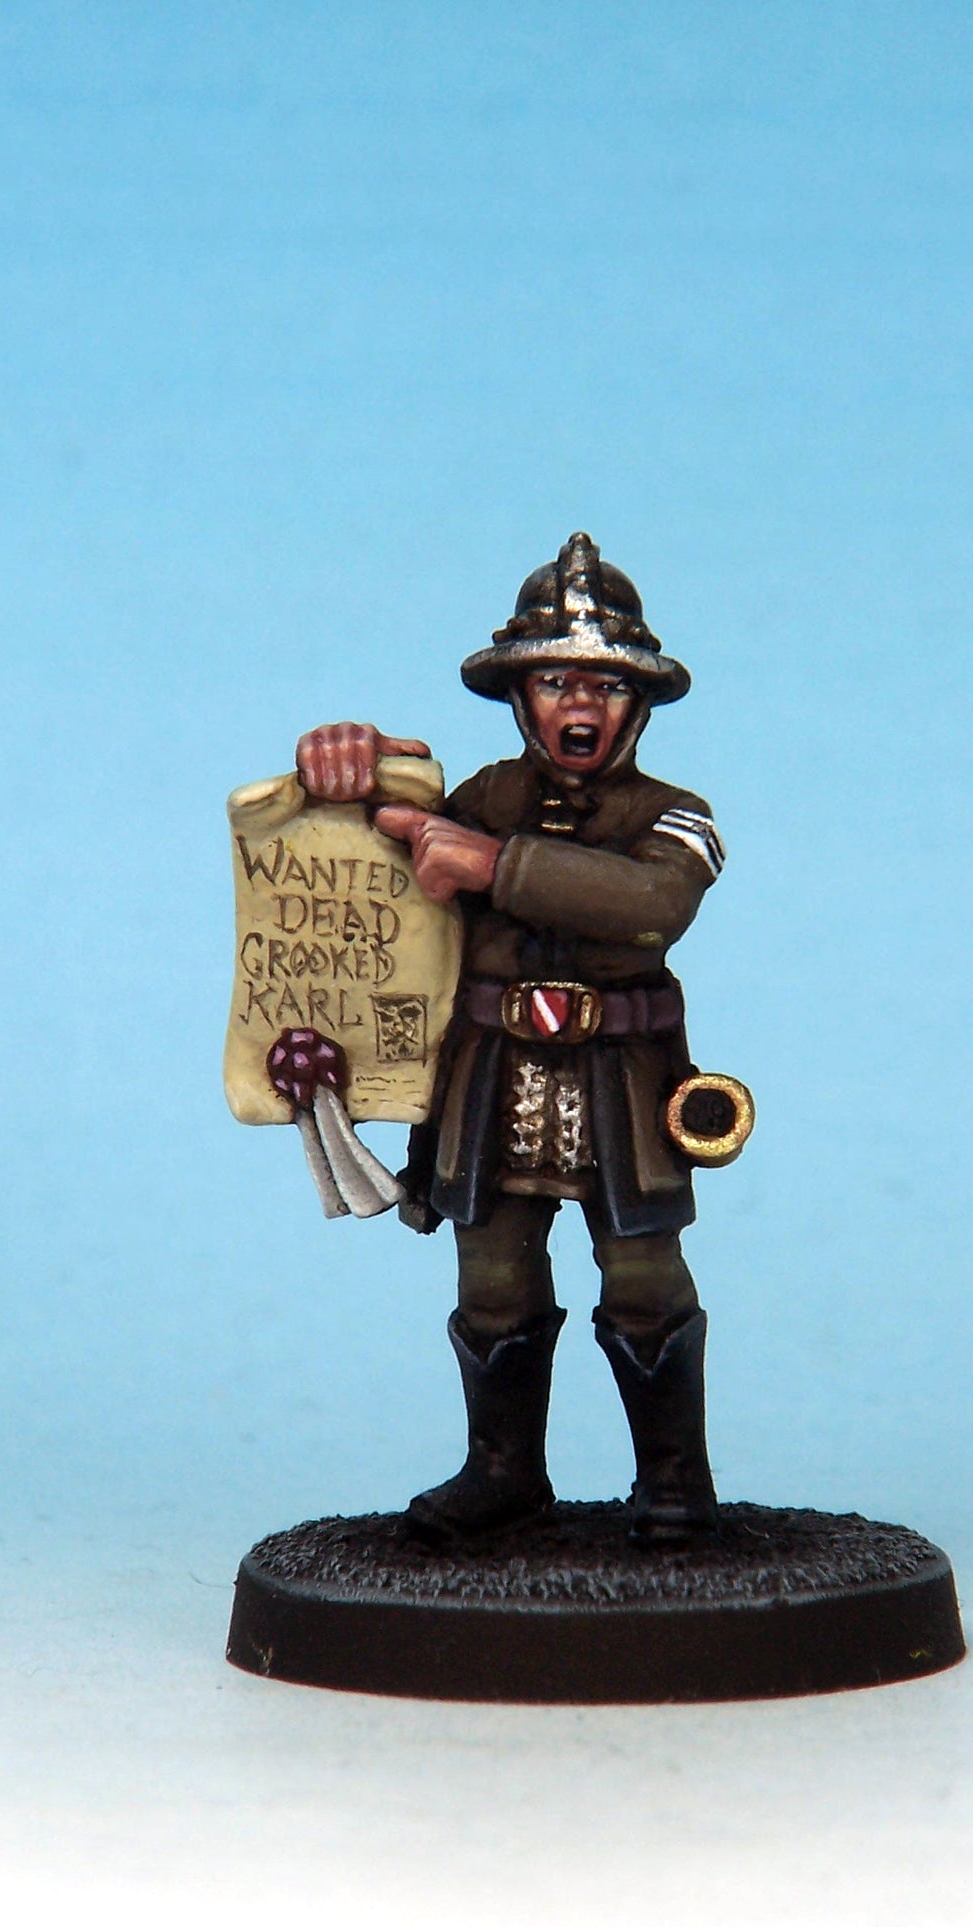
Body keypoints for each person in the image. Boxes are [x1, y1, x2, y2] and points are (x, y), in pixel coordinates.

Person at [295, 533, 728, 1546]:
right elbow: (369, 859)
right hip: (490, 1078)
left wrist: (496, 866)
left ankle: (674, 1478)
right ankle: (502, 1472)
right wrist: (350, 763)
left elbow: (653, 902)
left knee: (642, 1277)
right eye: (554, 682)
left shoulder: (678, 817)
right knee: (491, 1275)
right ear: (520, 697)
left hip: (623, 1083)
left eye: (604, 685)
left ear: (638, 702)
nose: (580, 705)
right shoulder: (480, 796)